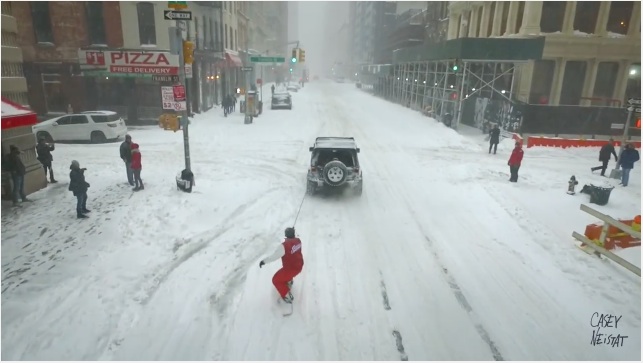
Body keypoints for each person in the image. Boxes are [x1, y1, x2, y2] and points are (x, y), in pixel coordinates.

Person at [259, 227, 304, 304]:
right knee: (285, 273)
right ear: (293, 234)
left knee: (276, 280)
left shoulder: (284, 246)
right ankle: (289, 281)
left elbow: (274, 257)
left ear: (286, 235)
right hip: (299, 266)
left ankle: (287, 295)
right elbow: (292, 243)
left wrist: (264, 261)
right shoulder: (298, 241)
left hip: (290, 269)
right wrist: (291, 233)